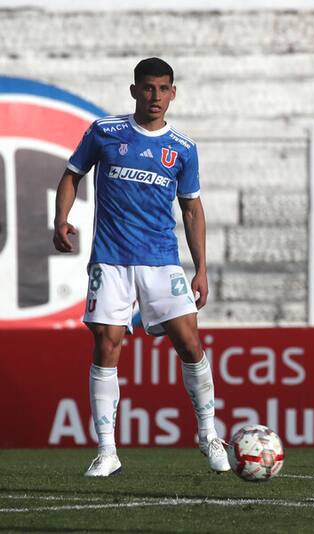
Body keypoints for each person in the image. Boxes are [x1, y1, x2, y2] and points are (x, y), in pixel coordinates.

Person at [52, 57, 230, 476]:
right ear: (134, 90)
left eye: (163, 89)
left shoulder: (183, 149)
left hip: (160, 260)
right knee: (107, 341)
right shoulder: (105, 132)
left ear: (173, 93)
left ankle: (208, 434)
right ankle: (108, 450)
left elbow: (191, 209)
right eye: (148, 88)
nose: (155, 96)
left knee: (189, 341)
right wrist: (61, 220)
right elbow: (71, 174)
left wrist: (201, 267)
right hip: (111, 259)